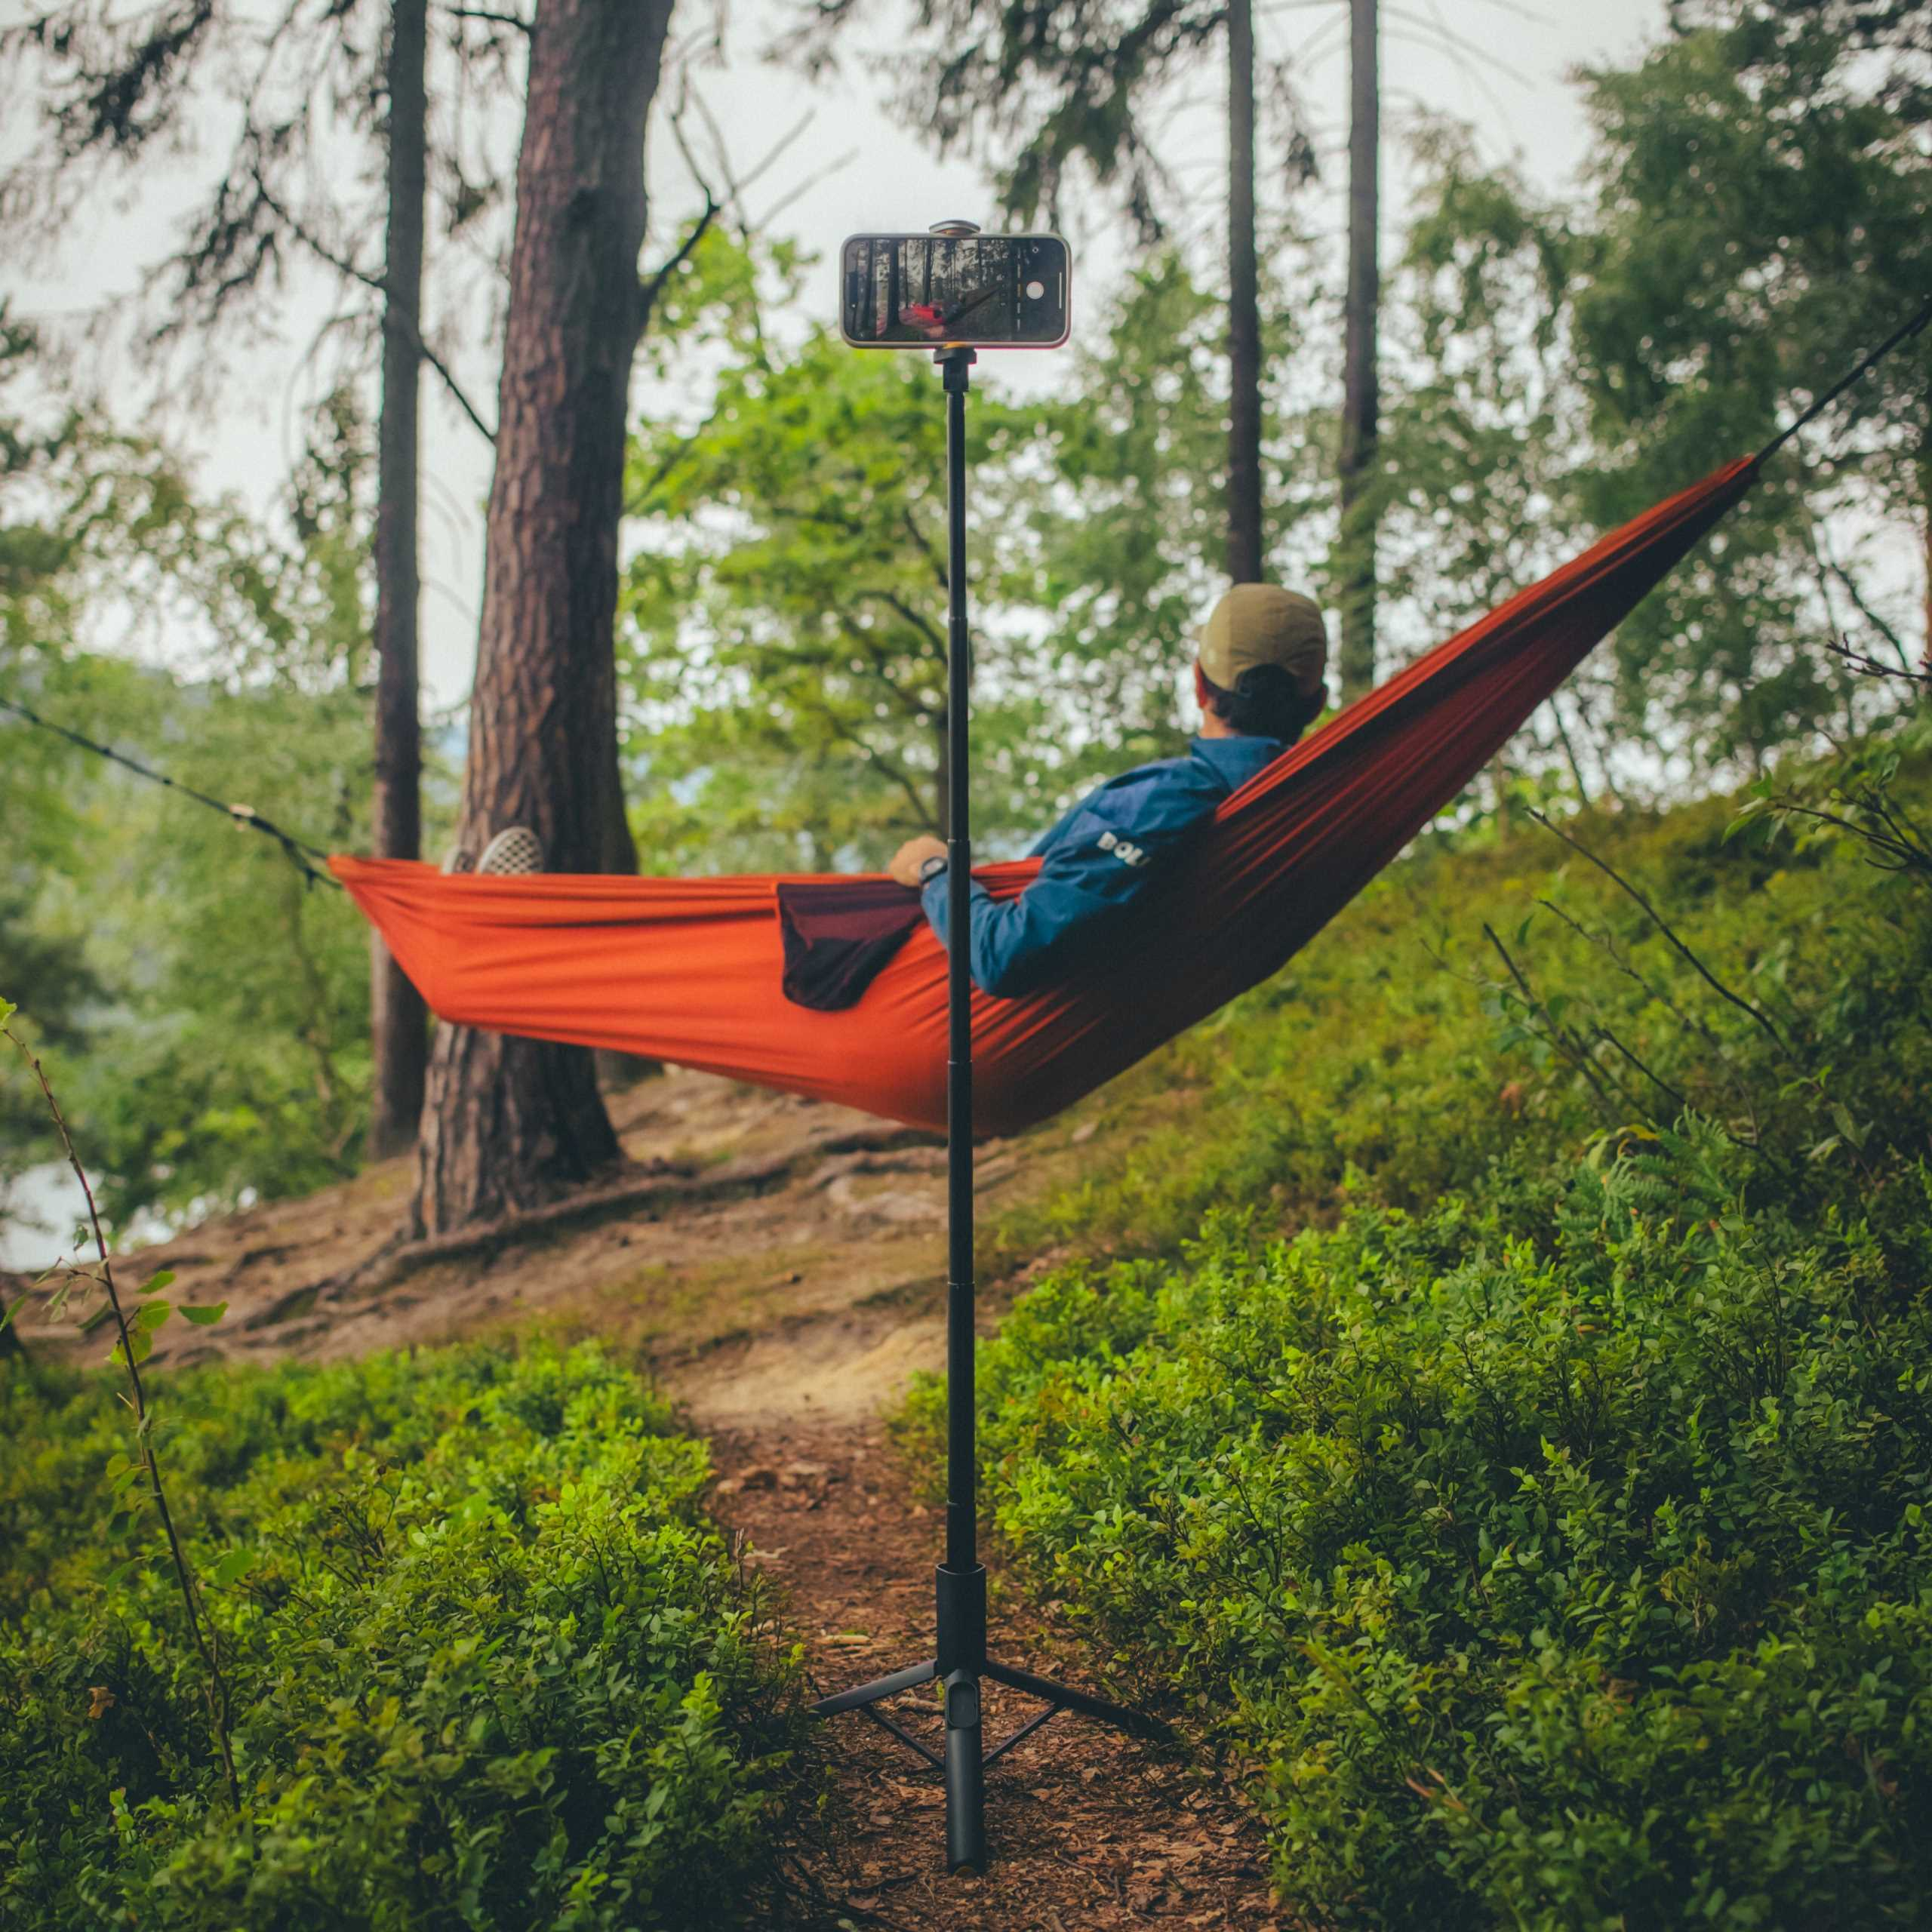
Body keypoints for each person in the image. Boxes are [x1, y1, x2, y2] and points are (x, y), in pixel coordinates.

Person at [887, 583, 1328, 998]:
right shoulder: (1316, 810)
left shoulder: (1170, 800)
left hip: (959, 1020)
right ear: (1316, 703)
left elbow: (1004, 955)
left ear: (1198, 684)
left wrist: (936, 873)